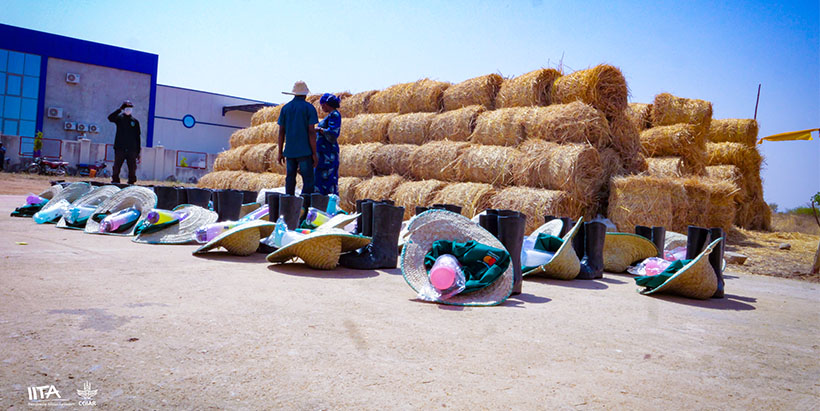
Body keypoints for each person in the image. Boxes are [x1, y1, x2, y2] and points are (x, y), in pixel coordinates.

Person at [277, 81, 318, 195]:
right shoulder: (309, 108)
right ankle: (304, 208)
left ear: (294, 94)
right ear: (305, 94)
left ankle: (289, 205)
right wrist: (314, 153)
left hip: (290, 151)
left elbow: (281, 132)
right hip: (305, 151)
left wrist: (280, 152)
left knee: (290, 179)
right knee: (308, 181)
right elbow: (311, 132)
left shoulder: (285, 109)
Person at [107, 100, 141, 184]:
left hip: (132, 148)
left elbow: (138, 137)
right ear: (124, 108)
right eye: (127, 107)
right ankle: (115, 179)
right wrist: (119, 109)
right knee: (117, 165)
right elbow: (110, 118)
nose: (129, 109)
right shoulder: (119, 118)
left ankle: (131, 181)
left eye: (130, 107)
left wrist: (138, 151)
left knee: (132, 166)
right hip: (120, 147)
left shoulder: (135, 121)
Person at [314, 93, 342, 195]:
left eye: (322, 106)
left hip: (328, 154)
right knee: (320, 178)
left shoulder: (335, 115)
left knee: (328, 179)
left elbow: (333, 133)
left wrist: (319, 129)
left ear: (326, 104)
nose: (322, 108)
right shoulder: (331, 115)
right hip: (323, 154)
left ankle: (327, 203)